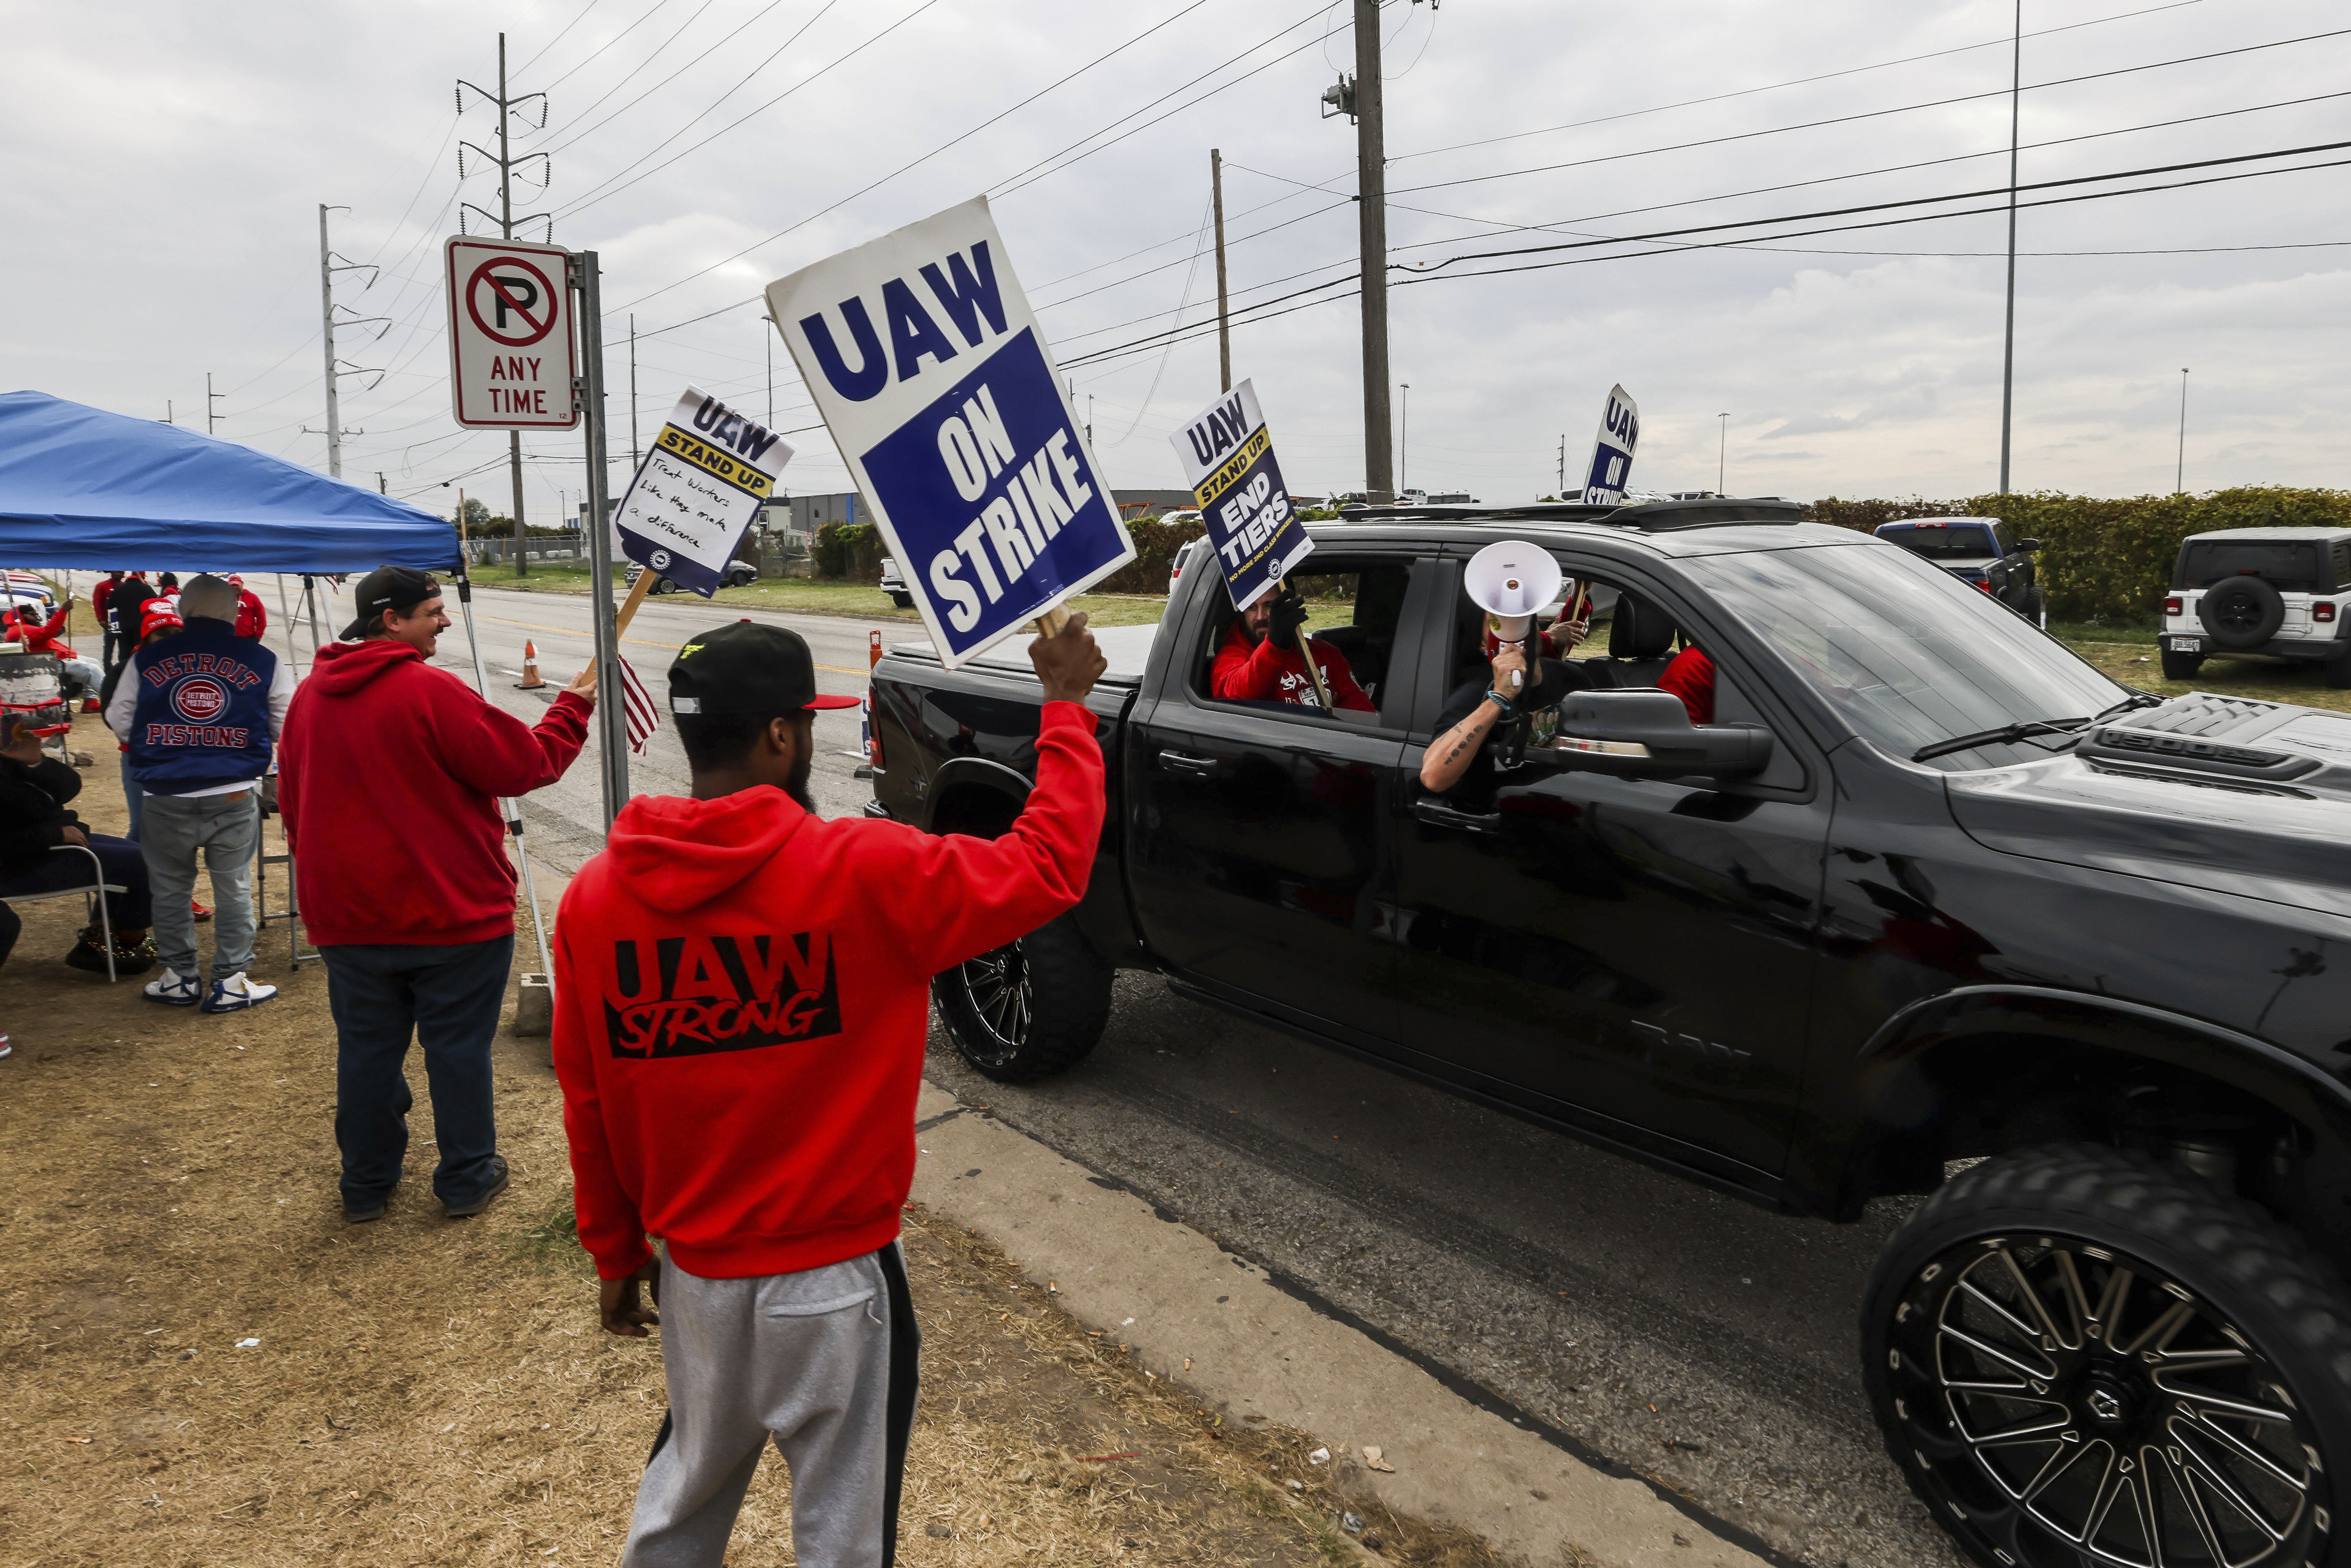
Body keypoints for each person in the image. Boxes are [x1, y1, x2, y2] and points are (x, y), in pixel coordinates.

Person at [553, 617, 1108, 1568]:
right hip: (839, 1281)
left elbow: (589, 1101)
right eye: (808, 723)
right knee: (843, 1539)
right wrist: (1063, 711)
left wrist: (614, 1249)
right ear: (780, 735)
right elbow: (1047, 866)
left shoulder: (595, 903)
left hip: (696, 1278)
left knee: (682, 1504)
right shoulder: (867, 874)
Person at [279, 565, 597, 1223]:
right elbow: (523, 764)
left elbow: (293, 804)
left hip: (349, 917)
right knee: (456, 1052)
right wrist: (573, 707)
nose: (445, 621)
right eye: (432, 611)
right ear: (390, 619)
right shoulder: (428, 690)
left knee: (366, 1052)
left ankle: (365, 1183)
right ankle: (466, 1177)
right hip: (451, 912)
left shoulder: (312, 695)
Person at [108, 575, 290, 1011]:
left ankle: (179, 978)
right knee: (233, 887)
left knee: (169, 889)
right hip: (232, 790)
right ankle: (230, 980)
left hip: (163, 793)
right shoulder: (262, 659)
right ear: (234, 610)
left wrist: (162, 747)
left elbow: (119, 717)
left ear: (183, 611)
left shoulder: (148, 657)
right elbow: (288, 724)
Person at [0, 708, 155, 978]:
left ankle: (101, 939)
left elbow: (69, 788)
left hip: (43, 844)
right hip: (22, 861)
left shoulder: (8, 761)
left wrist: (36, 762)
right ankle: (126, 942)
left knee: (141, 855)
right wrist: (56, 836)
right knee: (145, 864)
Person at [1209, 585, 1375, 711]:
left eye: (1270, 606)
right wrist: (1275, 645)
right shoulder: (1230, 658)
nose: (1260, 616)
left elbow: (1359, 709)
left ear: (1288, 608)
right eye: (1252, 608)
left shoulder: (1326, 653)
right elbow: (1237, 697)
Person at [98, 604, 184, 844]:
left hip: (182, 758)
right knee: (141, 826)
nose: (171, 641)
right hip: (139, 758)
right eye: (163, 634)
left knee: (177, 825)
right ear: (148, 638)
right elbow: (111, 717)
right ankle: (133, 875)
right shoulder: (124, 669)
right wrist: (152, 737)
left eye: (178, 634)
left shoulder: (190, 667)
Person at [6, 596, 102, 703]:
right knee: (91, 670)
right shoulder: (19, 630)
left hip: (56, 658)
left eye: (37, 614)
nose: (37, 617)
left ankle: (91, 702)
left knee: (94, 662)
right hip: (48, 664)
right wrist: (63, 611)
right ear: (22, 616)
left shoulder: (25, 627)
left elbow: (49, 631)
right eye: (33, 615)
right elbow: (48, 632)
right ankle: (112, 699)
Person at [93, 572, 125, 667]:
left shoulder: (125, 586)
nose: (118, 575)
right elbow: (97, 603)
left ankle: (122, 668)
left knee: (124, 647)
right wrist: (101, 619)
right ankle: (107, 669)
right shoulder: (102, 586)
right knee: (109, 647)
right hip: (109, 622)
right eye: (117, 572)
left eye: (121, 573)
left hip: (123, 622)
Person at [229, 574, 268, 640]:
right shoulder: (224, 597)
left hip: (247, 637)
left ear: (242, 584)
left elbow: (261, 617)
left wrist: (258, 636)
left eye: (237, 585)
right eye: (233, 585)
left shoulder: (252, 598)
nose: (235, 587)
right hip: (228, 637)